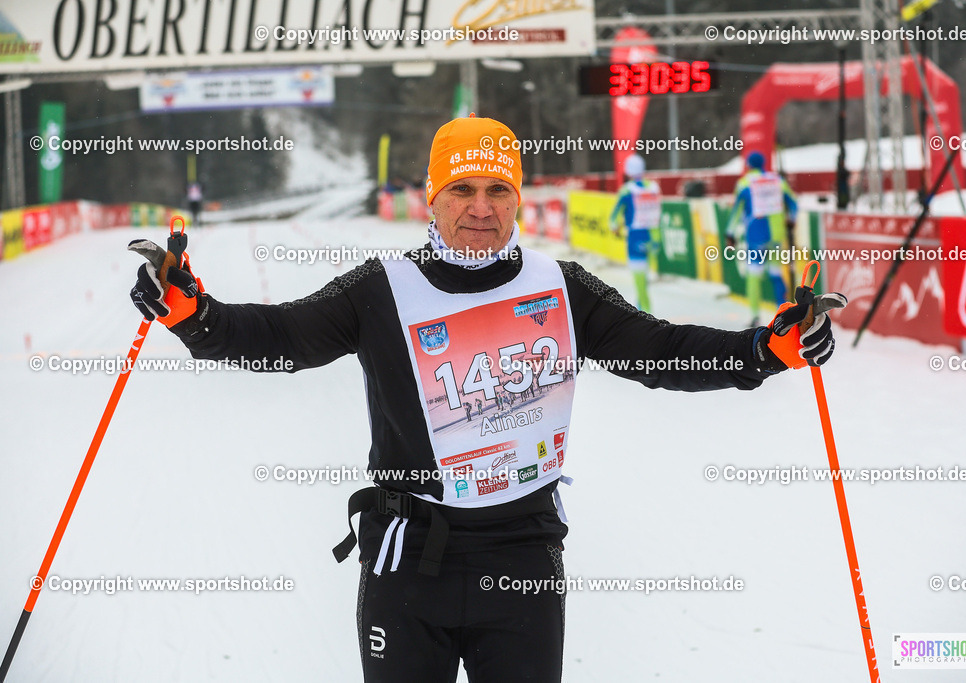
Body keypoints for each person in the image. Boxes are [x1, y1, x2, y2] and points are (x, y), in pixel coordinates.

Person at [128, 115, 846, 683]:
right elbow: (281, 336)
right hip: (409, 569)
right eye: (461, 191)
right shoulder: (381, 289)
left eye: (497, 190)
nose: (480, 208)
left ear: (519, 201)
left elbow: (658, 350)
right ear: (430, 201)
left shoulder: (558, 285)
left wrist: (762, 350)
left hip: (522, 563)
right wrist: (197, 315)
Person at [725, 151, 799, 326]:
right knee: (775, 274)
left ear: (749, 165)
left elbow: (736, 210)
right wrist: (791, 220)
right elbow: (793, 203)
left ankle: (754, 316)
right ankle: (783, 314)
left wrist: (730, 233)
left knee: (754, 276)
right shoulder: (777, 180)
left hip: (756, 235)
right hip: (776, 235)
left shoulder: (744, 183)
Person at [609, 153, 661, 312]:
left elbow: (613, 218)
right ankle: (643, 314)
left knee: (640, 286)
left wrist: (615, 228)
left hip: (635, 241)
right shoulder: (654, 188)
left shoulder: (627, 191)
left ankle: (647, 319)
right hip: (654, 241)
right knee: (644, 283)